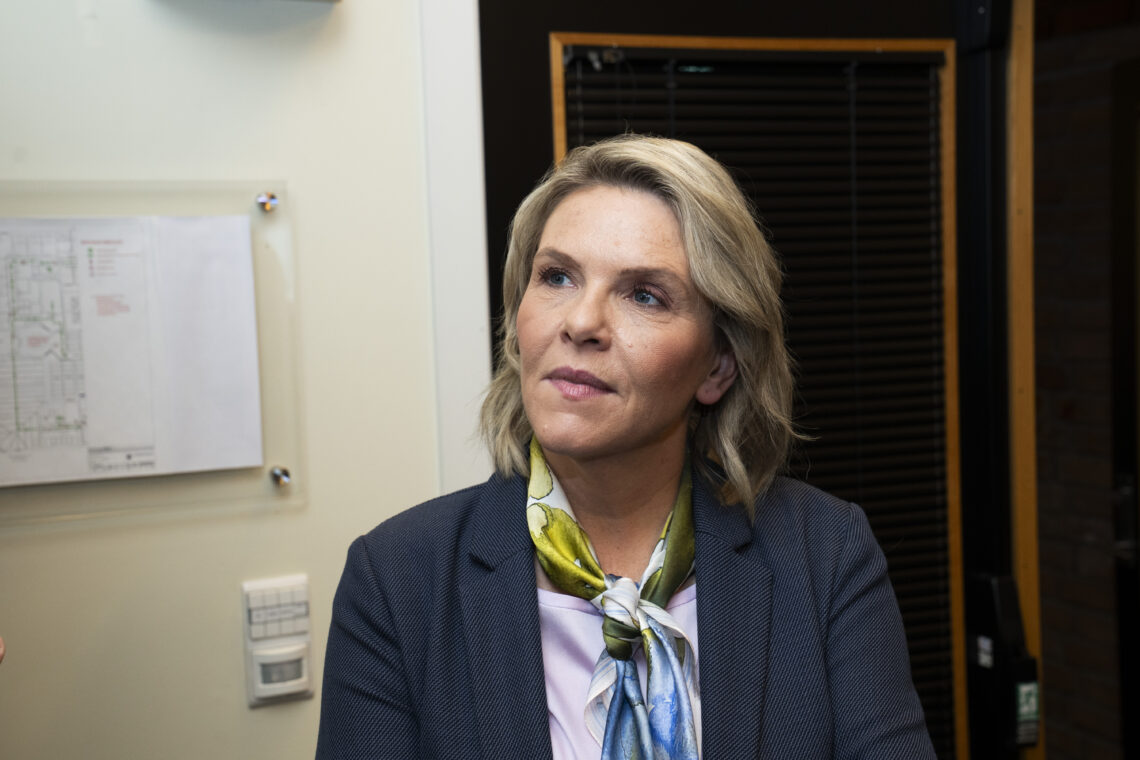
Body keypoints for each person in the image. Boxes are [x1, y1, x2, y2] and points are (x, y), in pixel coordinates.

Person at [316, 135, 935, 759]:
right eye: (557, 277)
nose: (581, 322)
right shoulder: (397, 581)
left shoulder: (825, 555)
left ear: (718, 365)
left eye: (644, 295)